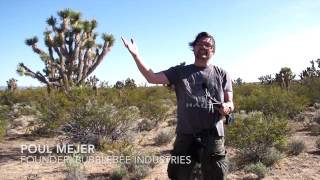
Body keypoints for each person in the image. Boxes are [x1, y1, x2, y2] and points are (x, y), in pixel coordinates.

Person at [122, 32, 234, 180]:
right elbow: (152, 78)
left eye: (208, 45)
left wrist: (227, 107)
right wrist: (136, 55)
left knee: (216, 175)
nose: (204, 47)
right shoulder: (179, 72)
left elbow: (230, 102)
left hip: (214, 135)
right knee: (178, 175)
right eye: (200, 44)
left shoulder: (222, 73)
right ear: (193, 48)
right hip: (186, 135)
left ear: (213, 50)